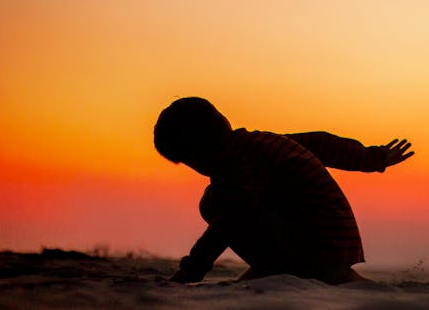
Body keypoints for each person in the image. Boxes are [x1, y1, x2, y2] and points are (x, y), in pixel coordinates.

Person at [153, 97, 414, 284]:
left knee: (215, 202)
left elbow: (229, 221)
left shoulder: (235, 164)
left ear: (198, 153)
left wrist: (192, 270)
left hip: (320, 248)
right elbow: (322, 143)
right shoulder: (259, 144)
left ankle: (283, 269)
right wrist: (373, 158)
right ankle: (277, 268)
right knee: (222, 200)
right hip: (334, 240)